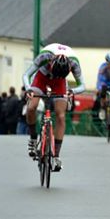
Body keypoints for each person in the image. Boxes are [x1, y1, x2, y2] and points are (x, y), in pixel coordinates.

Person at [23, 43, 85, 171]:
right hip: (42, 78)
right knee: (31, 107)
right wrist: (28, 89)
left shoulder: (74, 63)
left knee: (60, 115)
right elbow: (26, 75)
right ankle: (33, 139)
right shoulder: (45, 55)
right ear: (50, 63)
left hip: (60, 83)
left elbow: (82, 86)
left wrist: (72, 91)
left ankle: (56, 155)